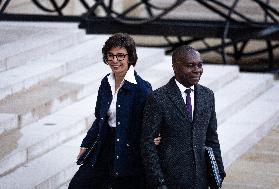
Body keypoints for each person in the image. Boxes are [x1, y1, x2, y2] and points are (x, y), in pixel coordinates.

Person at [68, 33, 153, 189]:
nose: (115, 60)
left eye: (120, 56)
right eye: (111, 56)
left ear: (130, 58)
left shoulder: (142, 88)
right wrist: (86, 143)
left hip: (128, 150)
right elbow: (100, 118)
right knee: (78, 185)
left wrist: (152, 140)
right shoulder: (106, 82)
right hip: (105, 143)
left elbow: (149, 123)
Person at [141, 45, 226, 189]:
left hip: (201, 181)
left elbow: (212, 138)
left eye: (200, 65)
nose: (197, 70)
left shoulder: (208, 96)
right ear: (175, 67)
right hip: (170, 181)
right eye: (190, 65)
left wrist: (219, 172)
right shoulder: (158, 98)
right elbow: (147, 145)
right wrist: (158, 183)